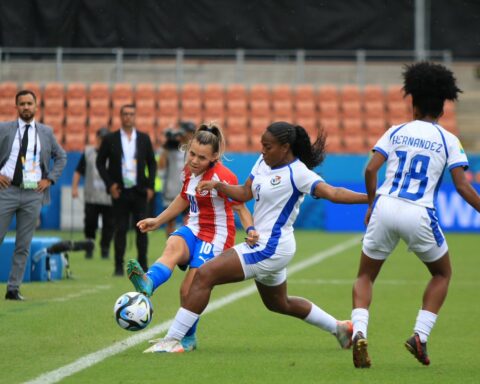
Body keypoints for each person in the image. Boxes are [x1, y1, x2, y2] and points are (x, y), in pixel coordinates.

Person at [141, 121, 368, 353]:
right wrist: (218, 186)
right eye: (262, 145)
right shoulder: (263, 162)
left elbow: (333, 192)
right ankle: (340, 328)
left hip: (272, 246)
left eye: (268, 146)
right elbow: (245, 192)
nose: (262, 150)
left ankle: (173, 339)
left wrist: (370, 197)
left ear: (285, 147)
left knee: (205, 274)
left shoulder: (298, 173)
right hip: (266, 244)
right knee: (279, 303)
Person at [350, 62, 480, 368]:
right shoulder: (449, 140)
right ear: (443, 108)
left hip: (385, 206)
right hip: (419, 211)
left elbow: (370, 169)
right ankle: (419, 336)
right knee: (442, 274)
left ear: (414, 103)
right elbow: (462, 186)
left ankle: (358, 331)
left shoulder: (396, 131)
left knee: (366, 275)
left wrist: (371, 204)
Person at [128, 122, 259, 351]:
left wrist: (250, 230)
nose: (195, 161)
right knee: (173, 244)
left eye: (201, 157)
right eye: (192, 154)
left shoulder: (223, 176)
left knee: (188, 289)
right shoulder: (189, 171)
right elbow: (183, 198)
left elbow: (241, 208)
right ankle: (148, 282)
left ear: (214, 156)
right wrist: (158, 220)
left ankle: (188, 338)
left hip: (216, 236)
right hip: (194, 228)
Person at [0, 89, 67, 300]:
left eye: (30, 103)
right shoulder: (4, 128)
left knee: (23, 243)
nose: (26, 107)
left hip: (33, 193)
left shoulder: (46, 132)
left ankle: (13, 288)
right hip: (7, 190)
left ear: (36, 106)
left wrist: (50, 179)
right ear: (16, 107)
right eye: (22, 104)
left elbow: (61, 156)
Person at [96, 104, 157, 276]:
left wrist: (150, 186)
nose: (128, 117)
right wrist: (110, 185)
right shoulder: (111, 139)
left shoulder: (144, 138)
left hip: (139, 191)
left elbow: (152, 163)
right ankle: (118, 266)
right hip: (120, 191)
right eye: (125, 114)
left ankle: (144, 265)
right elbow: (100, 163)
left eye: (131, 114)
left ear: (135, 116)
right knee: (120, 229)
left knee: (142, 229)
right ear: (120, 116)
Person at [72, 127, 114, 259]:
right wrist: (74, 188)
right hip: (92, 196)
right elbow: (78, 171)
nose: (103, 142)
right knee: (90, 224)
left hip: (109, 197)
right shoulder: (88, 153)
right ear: (97, 139)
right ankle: (89, 248)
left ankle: (105, 249)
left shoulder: (114, 154)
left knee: (109, 226)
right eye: (101, 139)